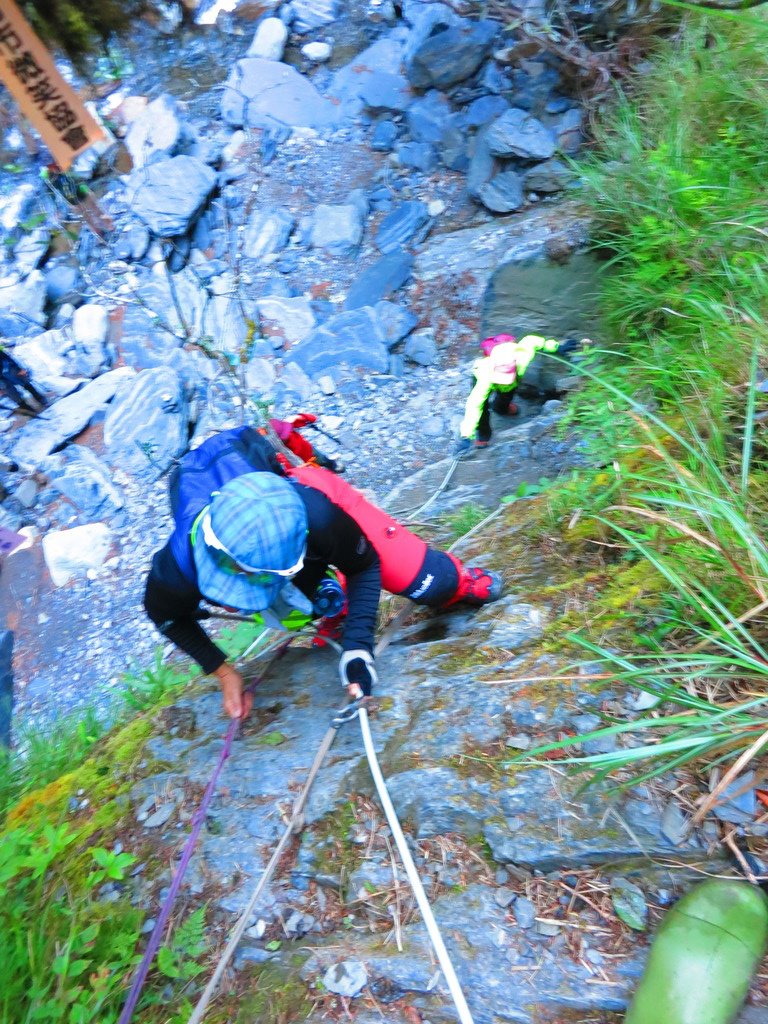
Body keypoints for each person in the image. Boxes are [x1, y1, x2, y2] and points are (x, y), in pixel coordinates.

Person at [144, 425, 503, 719]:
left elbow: (364, 565)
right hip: (247, 517)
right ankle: (331, 603)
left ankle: (458, 581)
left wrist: (358, 649)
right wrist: (223, 671)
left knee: (430, 585)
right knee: (300, 607)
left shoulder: (317, 514)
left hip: (296, 498)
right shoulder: (178, 564)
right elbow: (167, 617)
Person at [454, 333, 580, 454]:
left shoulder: (522, 356)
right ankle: (483, 436)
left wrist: (557, 347)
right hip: (486, 378)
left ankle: (501, 408)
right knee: (482, 410)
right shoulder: (484, 374)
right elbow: (474, 406)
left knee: (507, 393)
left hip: (512, 377)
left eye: (506, 379)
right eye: (502, 380)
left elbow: (532, 340)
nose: (505, 383)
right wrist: (466, 436)